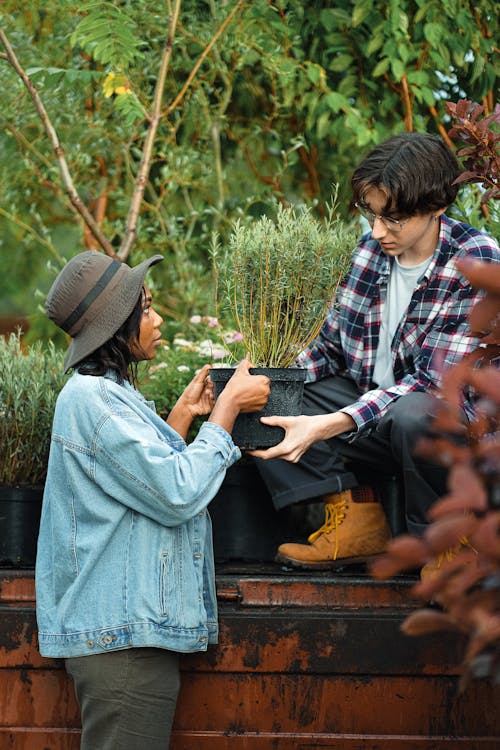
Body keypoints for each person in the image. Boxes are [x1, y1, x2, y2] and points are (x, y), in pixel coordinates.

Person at [35, 250, 270, 750]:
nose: (157, 319)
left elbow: (135, 482)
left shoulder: (105, 393)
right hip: (122, 647)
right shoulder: (92, 400)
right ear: (116, 326)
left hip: (124, 639)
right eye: (144, 310)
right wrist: (224, 414)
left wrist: (183, 416)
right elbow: (177, 491)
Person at [250, 132, 500, 571]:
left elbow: (434, 384)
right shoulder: (369, 252)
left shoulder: (475, 259)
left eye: (394, 218)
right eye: (371, 214)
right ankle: (357, 518)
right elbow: (329, 348)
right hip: (373, 416)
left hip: (442, 430)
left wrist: (331, 423)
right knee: (264, 396)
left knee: (416, 413)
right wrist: (264, 375)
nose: (377, 230)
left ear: (437, 207)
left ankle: (445, 545)